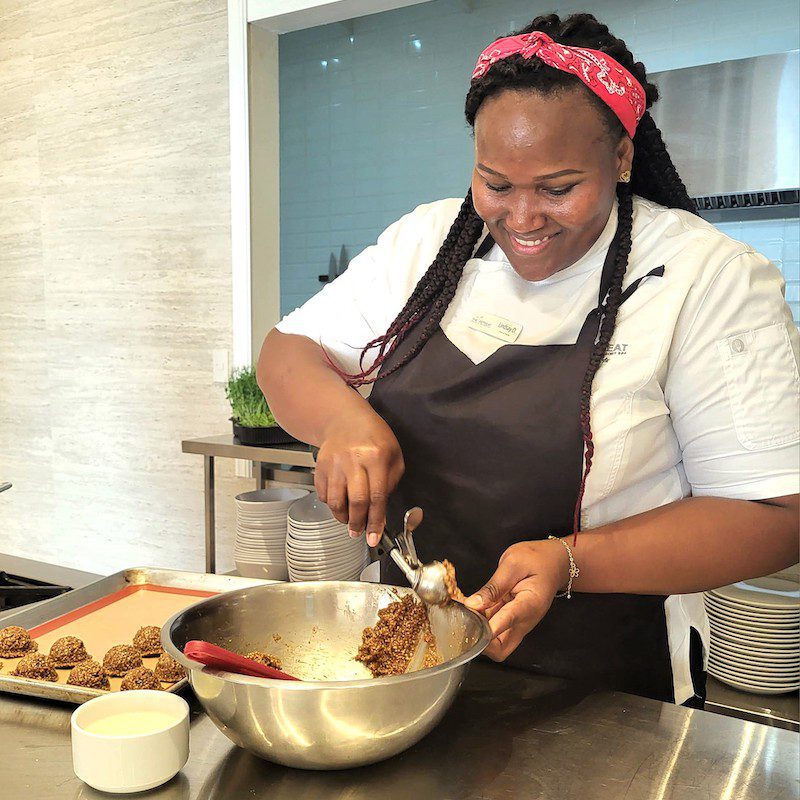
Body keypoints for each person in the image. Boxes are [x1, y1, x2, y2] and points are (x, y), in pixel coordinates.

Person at [258, 13, 799, 706]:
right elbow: (286, 351)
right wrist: (343, 422)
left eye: (557, 187)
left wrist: (572, 561)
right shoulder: (426, 243)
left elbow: (777, 513)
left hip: (610, 693)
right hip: (413, 669)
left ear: (623, 159)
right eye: (495, 183)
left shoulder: (705, 274)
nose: (521, 218)